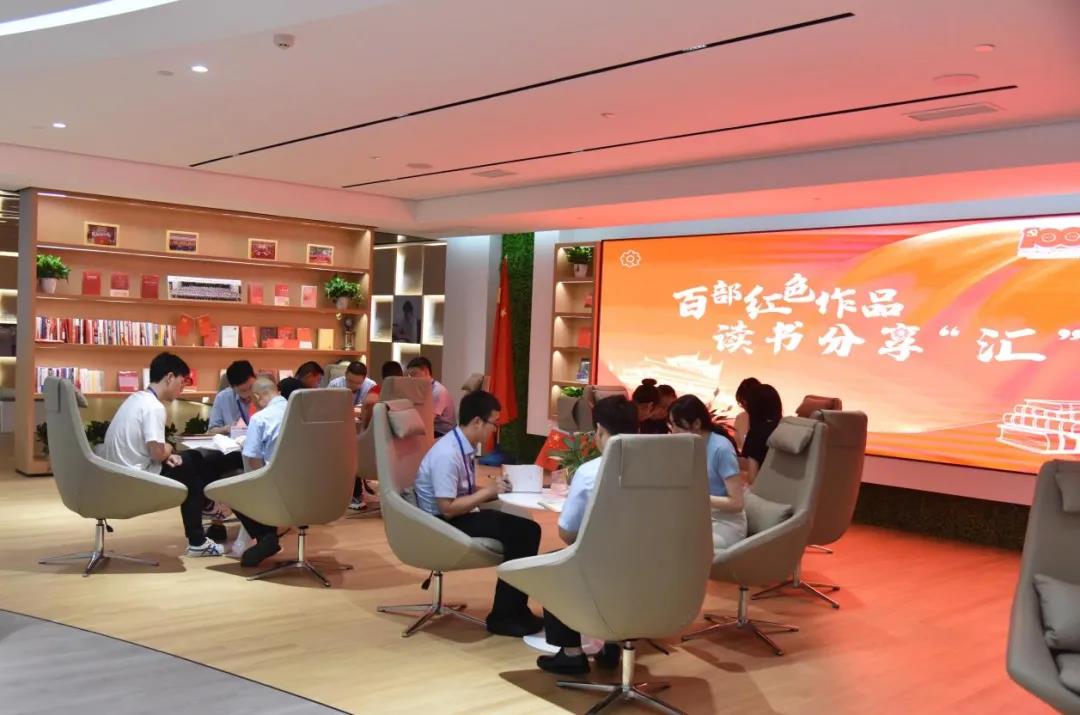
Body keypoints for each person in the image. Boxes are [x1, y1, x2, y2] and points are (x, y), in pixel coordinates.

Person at [412, 390, 542, 637]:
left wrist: (494, 490)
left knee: (526, 529)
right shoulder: (447, 454)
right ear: (477, 422)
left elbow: (465, 492)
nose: (495, 429)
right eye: (494, 423)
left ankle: (515, 610)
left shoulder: (463, 447)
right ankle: (504, 616)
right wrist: (489, 492)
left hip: (456, 515)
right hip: (440, 523)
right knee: (523, 532)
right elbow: (447, 508)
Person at [536, 395, 638, 675]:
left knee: (551, 567)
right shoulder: (661, 471)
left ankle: (571, 653)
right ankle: (612, 644)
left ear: (600, 431)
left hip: (599, 563)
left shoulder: (590, 472)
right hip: (648, 565)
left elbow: (567, 532)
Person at [102, 353, 231, 556]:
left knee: (191, 466)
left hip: (118, 473)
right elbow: (157, 452)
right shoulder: (154, 407)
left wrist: (166, 453)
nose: (183, 388)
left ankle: (204, 517)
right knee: (194, 463)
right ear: (170, 377)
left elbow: (152, 449)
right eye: (183, 381)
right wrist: (169, 450)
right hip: (136, 477)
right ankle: (203, 521)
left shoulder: (136, 399)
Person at [669, 394, 746, 550]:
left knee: (684, 546)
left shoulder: (721, 449)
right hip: (700, 515)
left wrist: (698, 497)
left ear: (697, 423)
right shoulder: (688, 446)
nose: (673, 431)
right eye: (671, 425)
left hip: (725, 521)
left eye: (677, 426)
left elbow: (737, 503)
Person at [232, 377, 290, 566]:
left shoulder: (260, 418)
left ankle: (266, 536)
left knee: (231, 488)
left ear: (257, 397)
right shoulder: (300, 411)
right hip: (307, 484)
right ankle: (269, 537)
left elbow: (252, 458)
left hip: (275, 484)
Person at [351, 360, 405, 510]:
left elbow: (369, 403)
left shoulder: (380, 389)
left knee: (349, 447)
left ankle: (356, 496)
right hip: (403, 448)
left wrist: (364, 426)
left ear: (383, 376)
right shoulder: (411, 390)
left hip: (377, 446)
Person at [743, 383, 783, 484]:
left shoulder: (756, 433)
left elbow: (752, 479)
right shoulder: (787, 429)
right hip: (786, 488)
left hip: (763, 490)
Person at [406, 356, 455, 437]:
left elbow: (428, 420)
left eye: (414, 374)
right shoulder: (425, 389)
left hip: (443, 433)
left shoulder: (438, 391)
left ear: (425, 371)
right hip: (433, 429)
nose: (411, 378)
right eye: (410, 376)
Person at [207, 360, 256, 435]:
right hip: (233, 441)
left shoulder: (265, 393)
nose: (248, 394)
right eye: (243, 391)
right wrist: (226, 429)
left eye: (251, 387)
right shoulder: (222, 398)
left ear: (255, 377)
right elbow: (211, 431)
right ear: (232, 387)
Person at [732, 377, 761, 451]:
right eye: (741, 402)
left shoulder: (770, 423)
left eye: (745, 402)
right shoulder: (740, 418)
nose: (744, 406)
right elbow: (737, 445)